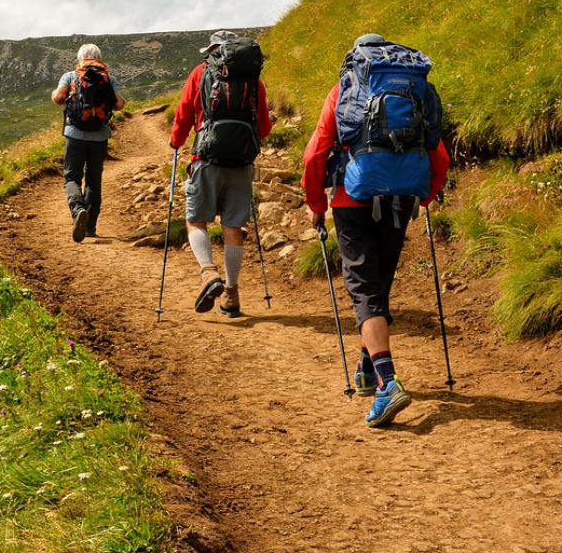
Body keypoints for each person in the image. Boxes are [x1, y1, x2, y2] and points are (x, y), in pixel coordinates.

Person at [302, 33, 450, 427]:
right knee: (379, 287)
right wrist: (424, 196)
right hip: (401, 201)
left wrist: (316, 204)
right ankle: (368, 369)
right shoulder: (417, 90)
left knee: (365, 292)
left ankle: (386, 383)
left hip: (352, 201)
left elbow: (316, 151)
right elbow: (439, 153)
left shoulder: (344, 90)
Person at [169, 30, 273, 317]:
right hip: (241, 161)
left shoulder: (201, 72)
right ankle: (231, 293)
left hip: (206, 157)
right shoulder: (254, 81)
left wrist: (176, 140)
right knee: (232, 227)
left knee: (196, 220)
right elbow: (263, 128)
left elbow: (183, 113)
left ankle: (208, 273)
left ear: (213, 50)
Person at [52, 44, 125, 242]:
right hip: (99, 137)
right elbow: (119, 105)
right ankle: (90, 227)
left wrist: (60, 95)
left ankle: (78, 210)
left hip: (75, 134)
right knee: (94, 180)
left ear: (80, 58)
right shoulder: (108, 78)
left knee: (72, 178)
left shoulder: (70, 76)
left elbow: (58, 98)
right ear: (99, 58)